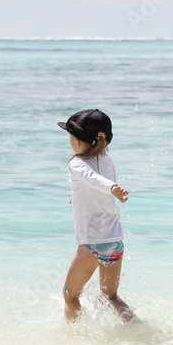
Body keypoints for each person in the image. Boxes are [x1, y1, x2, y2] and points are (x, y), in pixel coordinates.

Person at [58, 109, 138, 324]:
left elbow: (92, 178)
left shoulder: (76, 163)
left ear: (76, 140)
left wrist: (112, 188)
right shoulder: (106, 159)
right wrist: (79, 199)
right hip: (114, 241)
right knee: (110, 296)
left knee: (70, 295)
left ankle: (73, 339)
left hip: (92, 244)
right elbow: (94, 185)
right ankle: (137, 327)